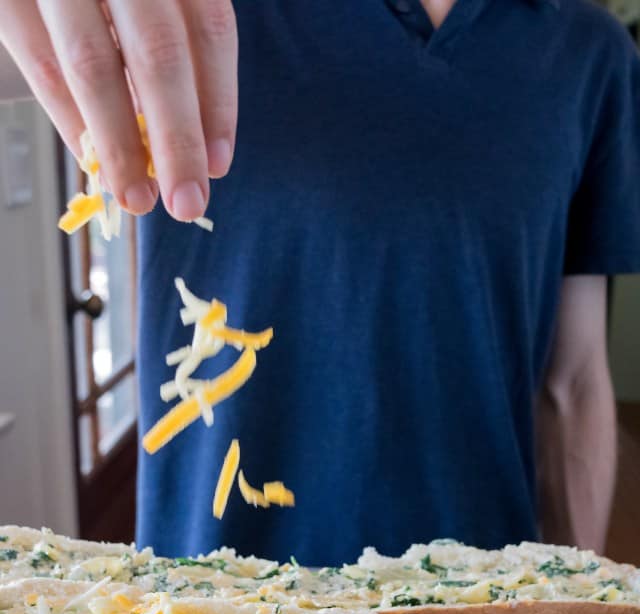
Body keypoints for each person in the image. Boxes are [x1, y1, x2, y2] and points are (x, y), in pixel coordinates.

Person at [1, 0, 639, 566]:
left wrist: (578, 605)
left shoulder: (591, 54)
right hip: (211, 603)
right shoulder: (200, 10)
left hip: (480, 604)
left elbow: (574, 380)